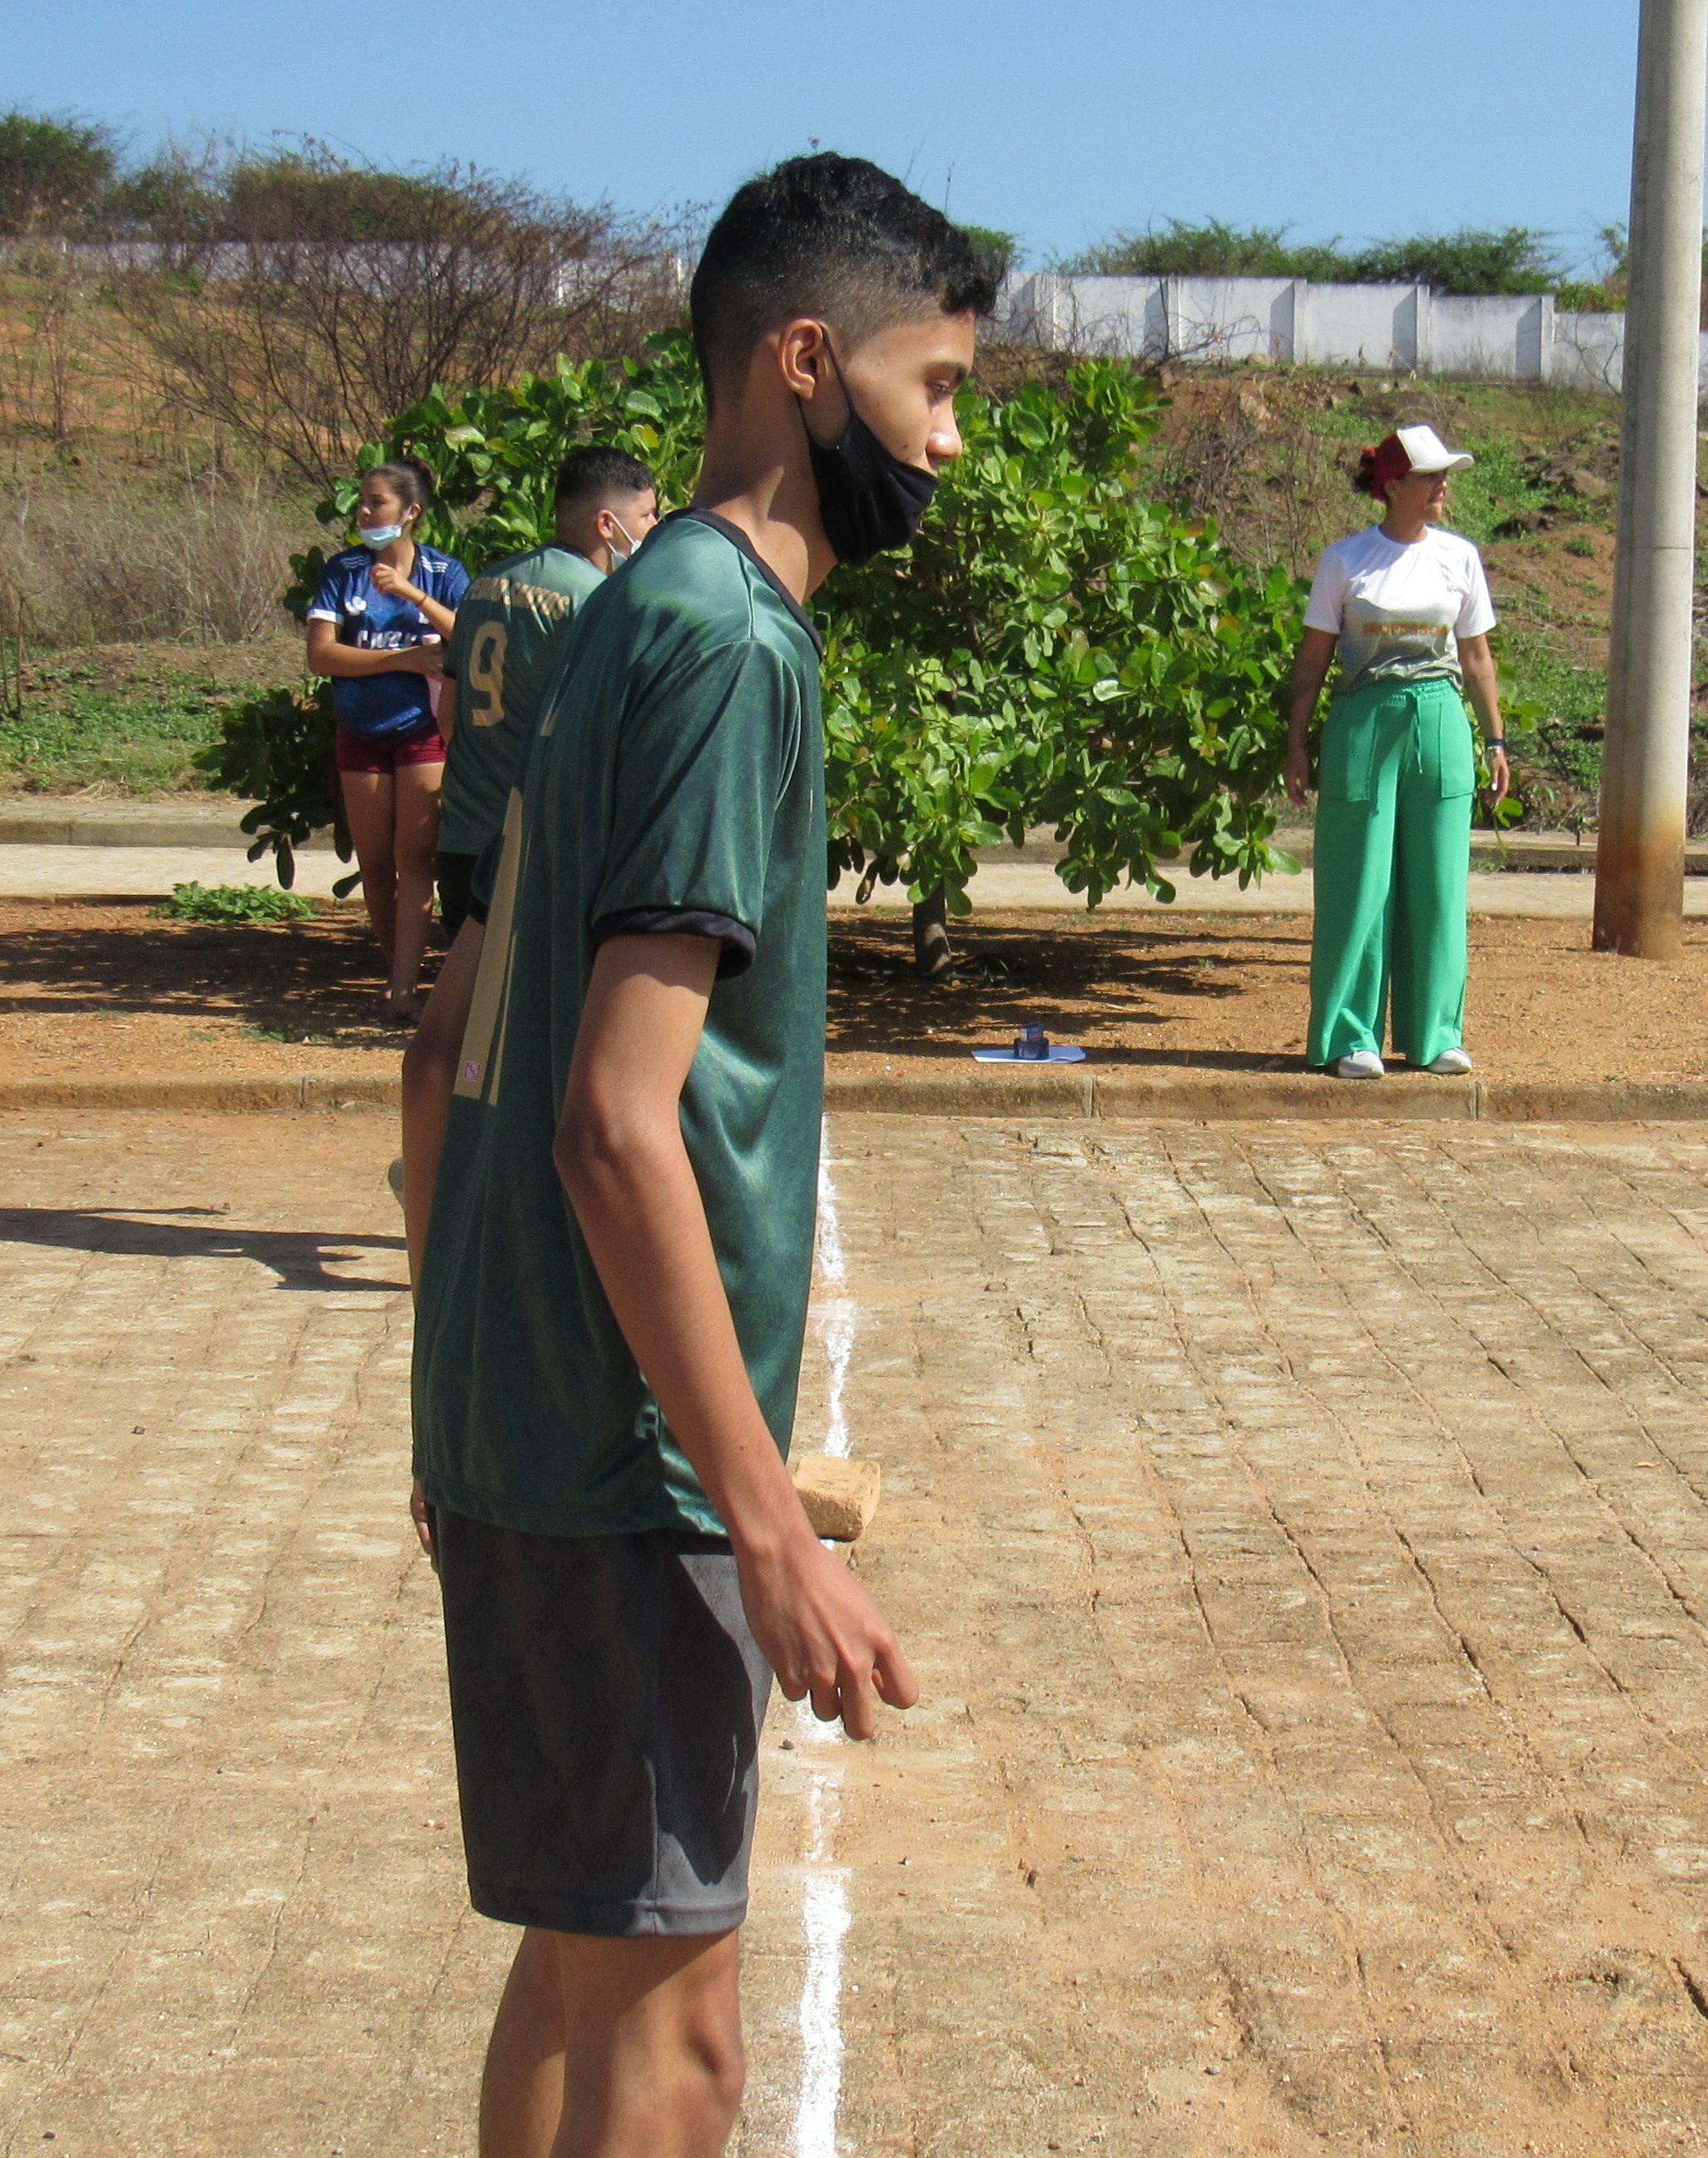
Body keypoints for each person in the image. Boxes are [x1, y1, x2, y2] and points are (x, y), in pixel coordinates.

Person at [407, 152, 992, 2158]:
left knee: (584, 1976)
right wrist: (763, 1527)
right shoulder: (732, 645)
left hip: (532, 1414)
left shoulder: (626, 610)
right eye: (934, 387)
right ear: (806, 362)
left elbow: (463, 1031)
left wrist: (453, 1390)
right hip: (624, 1456)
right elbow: (609, 1116)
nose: (950, 441)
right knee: (681, 2054)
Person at [397, 444, 664, 1281]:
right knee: (532, 1040)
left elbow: (452, 704)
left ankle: (444, 1174)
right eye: (649, 515)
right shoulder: (595, 599)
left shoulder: (484, 585)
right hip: (527, 849)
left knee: (479, 1038)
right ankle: (457, 1188)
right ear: (608, 522)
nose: (656, 530)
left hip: (465, 838)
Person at [1280, 424, 1511, 1079]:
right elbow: (1313, 662)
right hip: (1363, 720)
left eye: (1444, 476)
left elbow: (1477, 657)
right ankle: (1350, 1037)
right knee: (1358, 883)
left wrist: (1495, 740)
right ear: (1393, 485)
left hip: (1440, 722)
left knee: (1438, 884)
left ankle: (1435, 1035)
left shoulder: (1460, 558)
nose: (1442, 487)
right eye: (1430, 476)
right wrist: (1296, 744)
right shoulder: (1345, 560)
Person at [305, 459, 471, 1022]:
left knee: (415, 858)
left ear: (411, 511)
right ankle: (396, 977)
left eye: (377, 502)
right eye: (363, 501)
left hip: (423, 732)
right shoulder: (343, 570)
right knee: (376, 866)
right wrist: (402, 658)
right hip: (361, 733)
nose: (364, 511)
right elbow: (322, 655)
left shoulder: (443, 571)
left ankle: (404, 990)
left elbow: (468, 635)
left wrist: (412, 595)